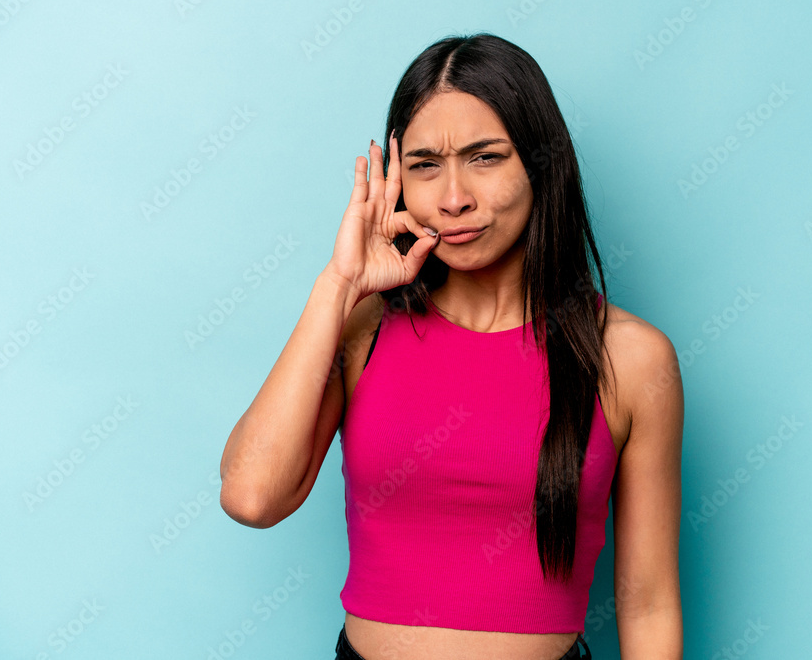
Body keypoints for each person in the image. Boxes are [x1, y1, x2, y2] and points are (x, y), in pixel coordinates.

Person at [219, 32, 684, 660]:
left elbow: (649, 601)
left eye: (485, 157)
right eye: (425, 165)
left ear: (541, 163)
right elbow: (251, 496)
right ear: (396, 179)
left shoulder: (629, 357)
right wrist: (338, 288)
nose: (454, 197)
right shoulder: (364, 330)